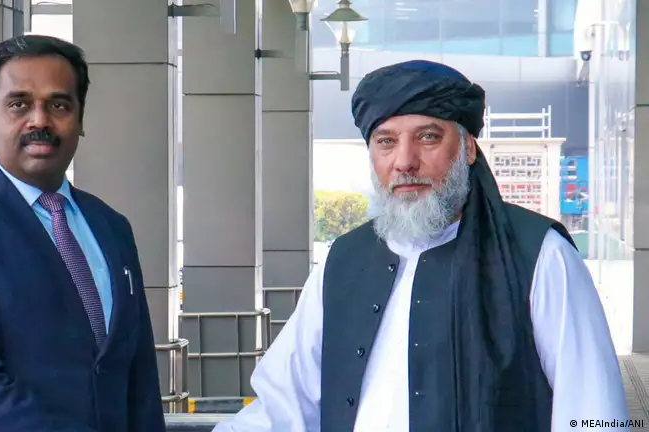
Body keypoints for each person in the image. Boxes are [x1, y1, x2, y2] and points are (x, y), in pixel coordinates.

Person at [213, 60, 629, 432]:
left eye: (428, 137)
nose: (404, 161)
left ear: (468, 148)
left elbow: (595, 412)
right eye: (386, 141)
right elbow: (283, 407)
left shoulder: (540, 255)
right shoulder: (342, 262)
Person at [0, 35, 165, 432]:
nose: (40, 120)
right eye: (19, 104)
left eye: (59, 105)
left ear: (80, 120)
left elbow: (139, 379)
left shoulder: (112, 226)